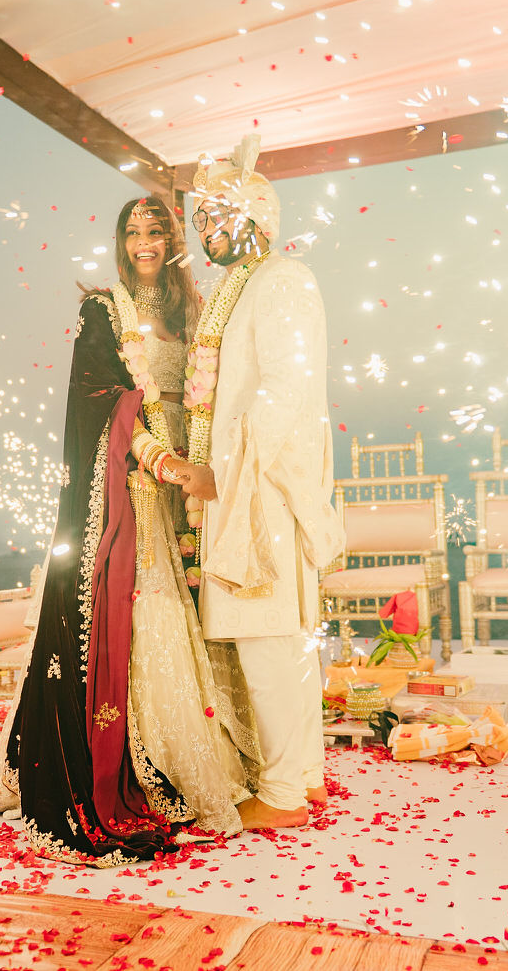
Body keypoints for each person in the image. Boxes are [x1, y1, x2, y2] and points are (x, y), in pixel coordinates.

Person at [0, 195, 257, 867]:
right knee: (145, 607)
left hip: (194, 485)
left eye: (157, 232)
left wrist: (203, 462)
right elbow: (96, 400)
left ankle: (207, 747)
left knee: (195, 603)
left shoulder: (194, 312)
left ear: (173, 243)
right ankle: (144, 753)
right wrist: (161, 459)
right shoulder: (103, 311)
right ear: (120, 242)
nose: (145, 242)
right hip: (137, 484)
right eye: (134, 232)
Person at [179, 135, 345, 830]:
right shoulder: (240, 289)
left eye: (216, 218)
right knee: (282, 639)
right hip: (249, 486)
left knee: (269, 636)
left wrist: (224, 470)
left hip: (261, 491)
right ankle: (304, 776)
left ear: (253, 217)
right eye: (200, 220)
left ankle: (279, 794)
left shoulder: (281, 280)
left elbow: (286, 387)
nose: (203, 232)